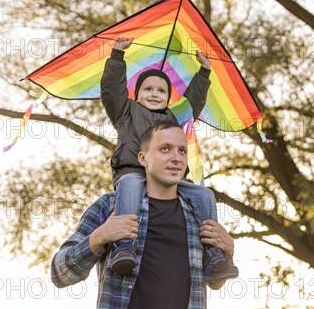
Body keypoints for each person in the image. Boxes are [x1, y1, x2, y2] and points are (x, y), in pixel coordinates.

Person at [51, 120, 235, 309]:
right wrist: (97, 238)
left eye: (182, 151)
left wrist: (227, 253)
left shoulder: (197, 215)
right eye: (165, 149)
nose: (176, 158)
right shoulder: (110, 207)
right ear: (142, 158)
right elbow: (60, 273)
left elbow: (214, 282)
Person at [101, 37, 238, 281]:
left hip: (166, 180)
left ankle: (213, 254)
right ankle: (124, 247)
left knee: (204, 195)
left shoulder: (174, 118)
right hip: (133, 171)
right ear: (136, 93)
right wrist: (117, 57)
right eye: (148, 89)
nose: (155, 94)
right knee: (131, 186)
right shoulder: (126, 111)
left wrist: (204, 71)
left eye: (161, 90)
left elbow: (193, 101)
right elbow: (112, 89)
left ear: (168, 97)